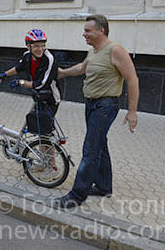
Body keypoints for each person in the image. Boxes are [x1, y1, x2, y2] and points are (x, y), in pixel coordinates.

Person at [56, 14, 139, 208]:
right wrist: (63, 73)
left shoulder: (115, 50)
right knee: (100, 144)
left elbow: (133, 79)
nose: (83, 34)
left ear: (101, 30)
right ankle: (103, 186)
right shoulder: (94, 51)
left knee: (90, 149)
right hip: (92, 104)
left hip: (105, 106)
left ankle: (76, 195)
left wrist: (132, 111)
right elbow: (82, 68)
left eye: (87, 30)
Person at [0, 29, 62, 182]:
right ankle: (43, 162)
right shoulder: (27, 56)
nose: (40, 49)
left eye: (42, 45)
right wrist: (3, 75)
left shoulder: (49, 59)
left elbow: (41, 84)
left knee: (45, 133)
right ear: (28, 46)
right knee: (40, 131)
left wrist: (21, 83)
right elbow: (18, 68)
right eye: (36, 46)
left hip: (51, 99)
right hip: (38, 98)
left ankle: (53, 168)